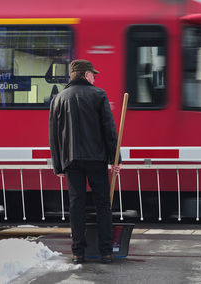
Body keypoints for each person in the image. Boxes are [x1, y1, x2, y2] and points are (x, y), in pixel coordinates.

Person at [49, 59, 121, 264]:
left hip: (71, 160)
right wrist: (116, 158)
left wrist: (58, 166)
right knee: (103, 205)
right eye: (93, 74)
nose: (95, 77)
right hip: (96, 159)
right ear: (85, 74)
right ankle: (106, 252)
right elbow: (109, 131)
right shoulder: (99, 95)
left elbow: (53, 136)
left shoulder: (59, 98)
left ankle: (78, 253)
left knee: (76, 205)